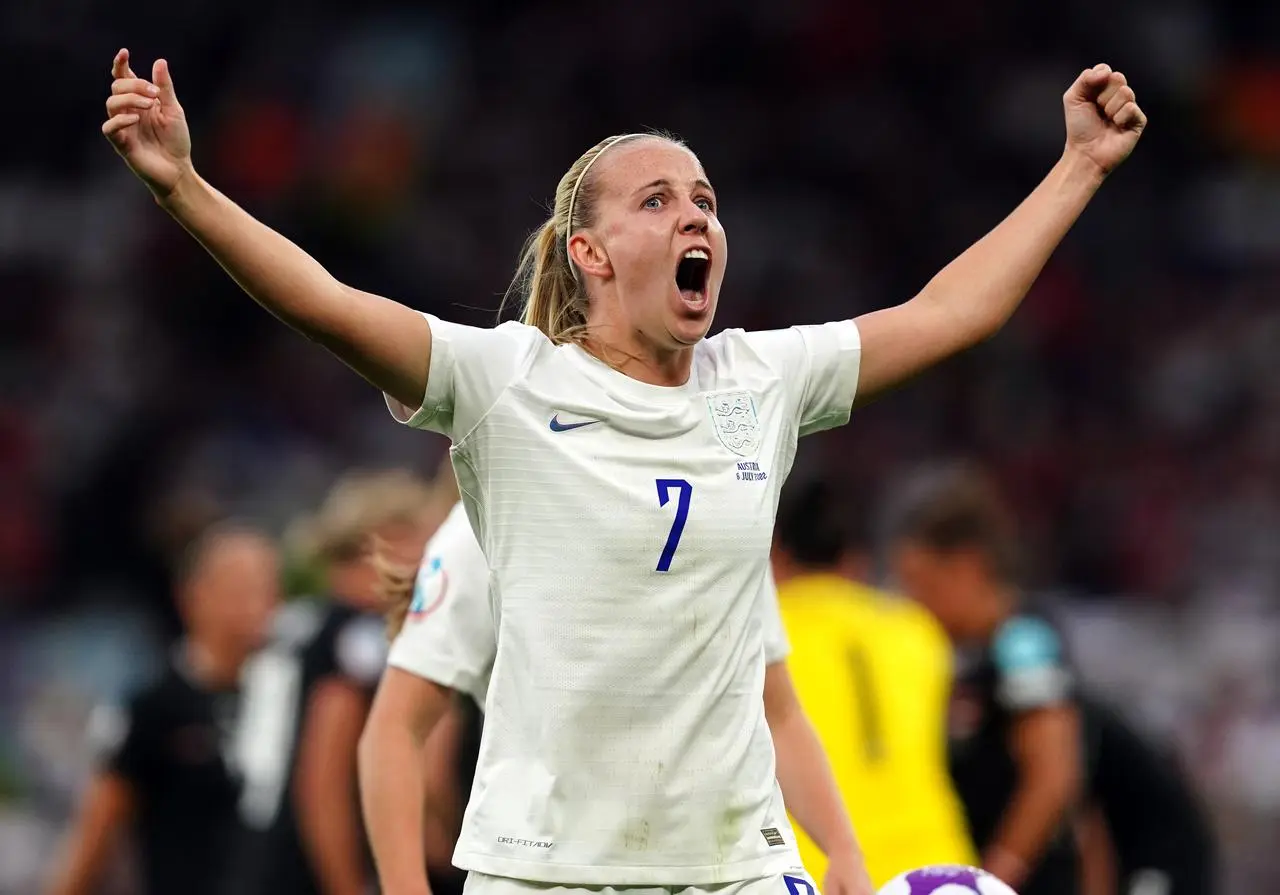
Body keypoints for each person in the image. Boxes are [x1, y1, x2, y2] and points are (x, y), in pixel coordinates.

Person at [102, 46, 1145, 895]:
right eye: (655, 201)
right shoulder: (505, 384)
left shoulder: (760, 380)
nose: (694, 216)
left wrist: (1078, 169)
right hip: (545, 872)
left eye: (703, 200)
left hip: (732, 866)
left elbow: (948, 312)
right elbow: (324, 302)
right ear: (588, 256)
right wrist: (186, 187)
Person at [383, 477, 883, 895]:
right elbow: (394, 730)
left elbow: (778, 711)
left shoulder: (725, 515)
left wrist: (842, 849)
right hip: (557, 869)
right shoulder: (490, 523)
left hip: (724, 865)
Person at [226, 470, 436, 895]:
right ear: (380, 541)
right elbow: (323, 782)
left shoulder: (305, 621)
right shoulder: (354, 637)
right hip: (308, 868)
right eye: (415, 539)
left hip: (260, 848)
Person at [44, 522, 280, 895]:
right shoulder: (151, 707)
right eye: (238, 588)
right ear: (191, 596)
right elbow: (95, 834)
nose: (255, 604)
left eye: (265, 589)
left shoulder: (287, 697)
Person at [885, 465, 1083, 895]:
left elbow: (1052, 775)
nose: (914, 602)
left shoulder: (1023, 641)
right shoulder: (942, 655)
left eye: (924, 584)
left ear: (968, 567)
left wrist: (993, 878)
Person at [770, 479, 976, 886]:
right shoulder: (917, 630)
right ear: (857, 560)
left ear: (775, 555)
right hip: (938, 872)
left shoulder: (763, 636)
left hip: (822, 873)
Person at [1075, 694, 1217, 895]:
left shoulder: (1080, 728)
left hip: (1165, 856)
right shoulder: (1092, 720)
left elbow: (1091, 830)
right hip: (1147, 850)